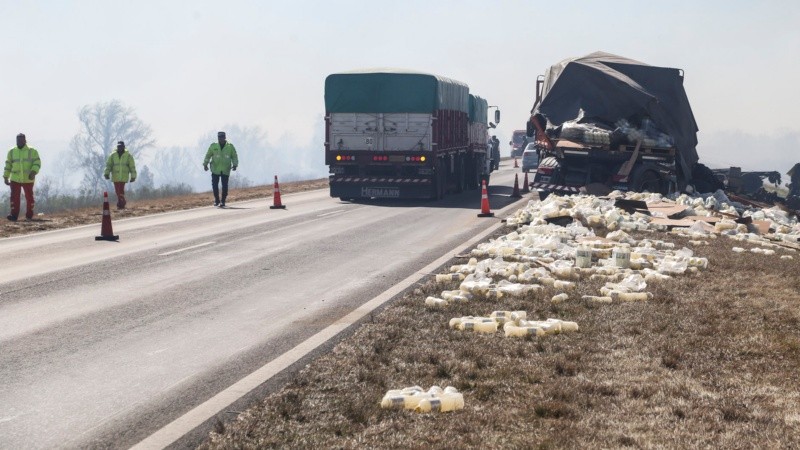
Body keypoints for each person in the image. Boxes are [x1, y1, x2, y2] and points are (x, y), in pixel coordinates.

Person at [4, 133, 41, 221]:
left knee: (29, 198)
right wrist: (6, 177)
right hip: (15, 179)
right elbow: (8, 165)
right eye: (18, 140)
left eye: (21, 140)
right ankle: (14, 216)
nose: (19, 142)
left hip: (28, 179)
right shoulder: (12, 151)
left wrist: (33, 172)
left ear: (25, 140)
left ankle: (29, 215)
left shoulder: (32, 151)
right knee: (14, 197)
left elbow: (37, 163)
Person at [203, 131, 238, 207]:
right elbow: (208, 155)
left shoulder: (230, 147)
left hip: (225, 169)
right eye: (219, 137)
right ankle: (217, 200)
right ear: (217, 138)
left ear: (225, 137)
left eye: (222, 137)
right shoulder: (213, 146)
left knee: (224, 186)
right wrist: (205, 164)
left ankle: (223, 201)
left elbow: (234, 156)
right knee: (215, 186)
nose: (221, 139)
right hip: (215, 169)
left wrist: (235, 165)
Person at [104, 141, 136, 209]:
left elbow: (132, 166)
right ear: (117, 147)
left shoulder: (128, 156)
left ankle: (121, 204)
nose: (119, 148)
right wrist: (106, 173)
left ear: (124, 147)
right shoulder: (112, 155)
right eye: (118, 146)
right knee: (117, 191)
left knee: (120, 190)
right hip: (115, 176)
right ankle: (121, 203)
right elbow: (109, 165)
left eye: (121, 146)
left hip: (123, 176)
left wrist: (133, 176)